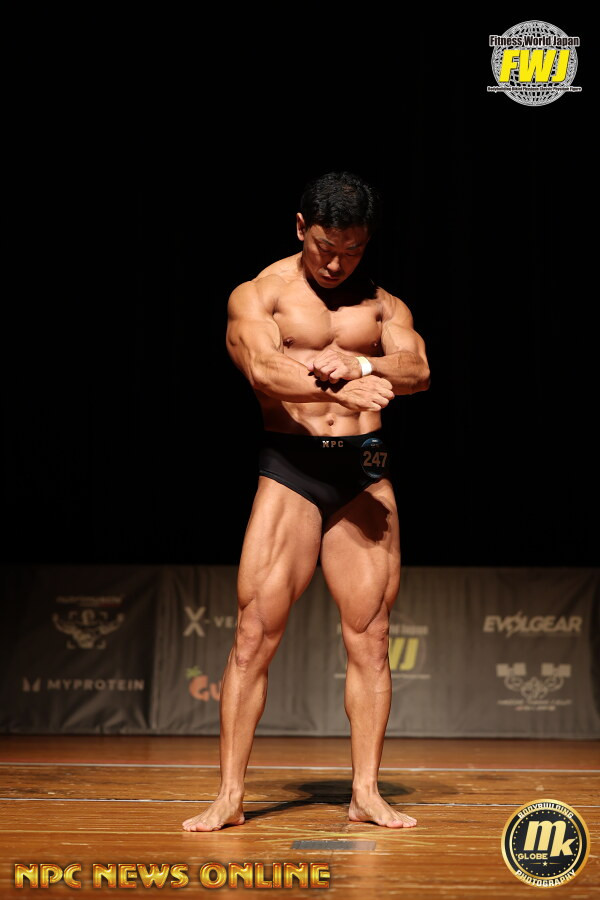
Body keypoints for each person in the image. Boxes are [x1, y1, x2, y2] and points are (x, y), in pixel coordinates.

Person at [183, 171, 430, 832]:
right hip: (292, 467)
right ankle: (230, 795)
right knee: (253, 634)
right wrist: (336, 389)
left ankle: (366, 793)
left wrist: (366, 366)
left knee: (371, 637)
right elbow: (262, 368)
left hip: (363, 472)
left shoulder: (382, 307)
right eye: (325, 246)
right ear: (301, 228)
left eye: (351, 250)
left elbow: (418, 370)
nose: (335, 262)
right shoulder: (260, 293)